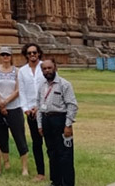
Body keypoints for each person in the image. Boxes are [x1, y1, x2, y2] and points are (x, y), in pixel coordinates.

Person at [37, 58, 78, 186]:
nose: (47, 71)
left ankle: (67, 183)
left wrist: (68, 124)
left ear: (55, 68)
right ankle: (56, 181)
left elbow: (72, 105)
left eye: (49, 68)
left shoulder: (64, 84)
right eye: (44, 69)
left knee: (65, 154)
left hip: (60, 120)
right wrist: (40, 125)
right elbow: (38, 105)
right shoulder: (42, 85)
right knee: (52, 152)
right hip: (46, 120)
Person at [0, 46, 30, 176]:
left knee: (19, 137)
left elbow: (18, 89)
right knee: (2, 137)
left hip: (14, 107)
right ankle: (6, 162)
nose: (5, 57)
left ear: (11, 56)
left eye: (7, 55)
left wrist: (6, 101)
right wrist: (0, 103)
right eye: (3, 55)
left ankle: (24, 167)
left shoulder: (17, 71)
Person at [20, 42, 47, 181]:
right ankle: (40, 173)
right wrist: (25, 109)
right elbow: (22, 91)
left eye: (34, 53)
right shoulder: (22, 71)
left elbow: (50, 89)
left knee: (51, 143)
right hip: (31, 112)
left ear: (38, 54)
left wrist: (40, 106)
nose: (32, 55)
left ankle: (56, 172)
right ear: (26, 55)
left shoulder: (46, 67)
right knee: (37, 144)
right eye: (29, 53)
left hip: (46, 110)